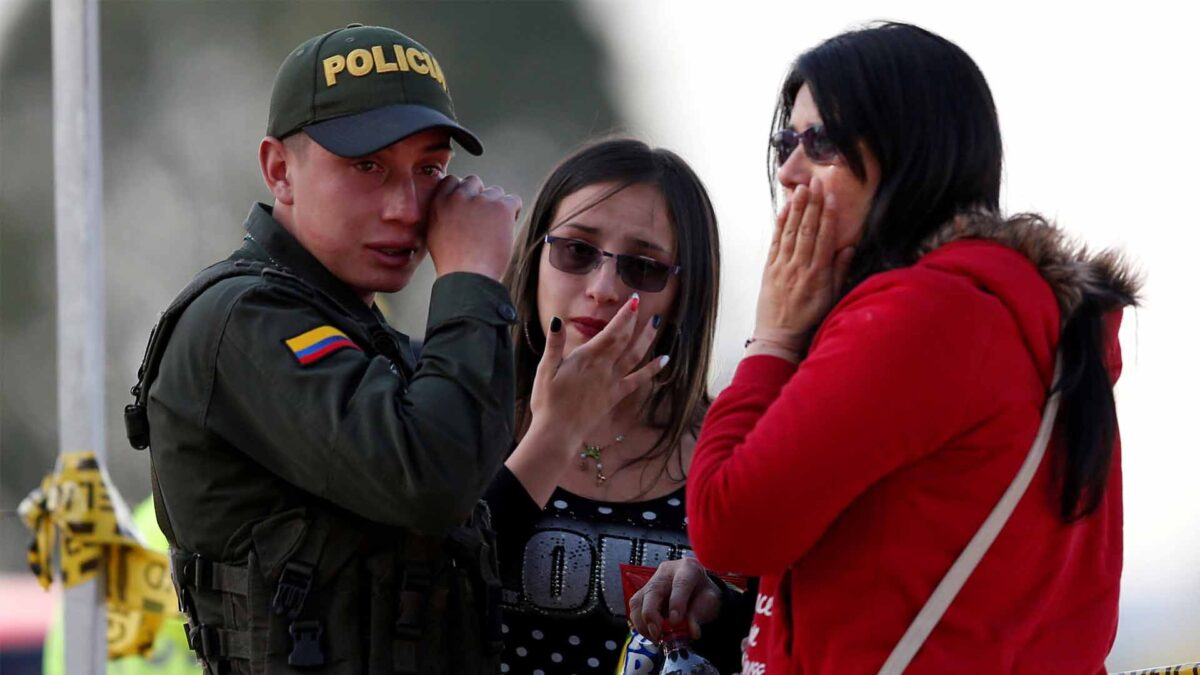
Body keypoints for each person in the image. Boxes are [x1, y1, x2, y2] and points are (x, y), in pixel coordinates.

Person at [638, 22, 1139, 673]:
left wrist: (773, 337)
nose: (789, 172)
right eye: (784, 142)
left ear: (910, 152)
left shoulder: (923, 314)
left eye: (820, 143)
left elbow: (731, 524)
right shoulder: (1017, 314)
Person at [125, 24, 522, 674]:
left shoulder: (368, 334)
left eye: (430, 170)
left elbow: (466, 525)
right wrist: (470, 281)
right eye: (366, 166)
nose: (405, 206)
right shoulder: (241, 319)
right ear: (280, 170)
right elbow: (430, 478)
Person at [483, 139, 750, 674]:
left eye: (643, 267)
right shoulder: (462, 418)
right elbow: (426, 591)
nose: (603, 289)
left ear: (682, 293)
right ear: (535, 258)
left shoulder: (732, 451)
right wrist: (554, 432)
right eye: (576, 252)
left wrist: (717, 606)